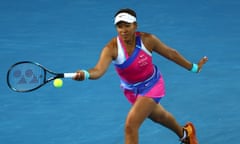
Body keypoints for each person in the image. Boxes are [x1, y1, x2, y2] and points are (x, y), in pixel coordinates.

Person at [73, 8, 208, 144]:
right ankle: (186, 134)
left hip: (152, 85)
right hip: (131, 91)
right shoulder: (111, 48)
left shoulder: (147, 40)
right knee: (159, 117)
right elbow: (98, 70)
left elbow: (171, 54)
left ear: (135, 26)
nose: (123, 30)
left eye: (127, 25)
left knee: (130, 125)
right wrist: (86, 74)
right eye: (120, 26)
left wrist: (194, 67)